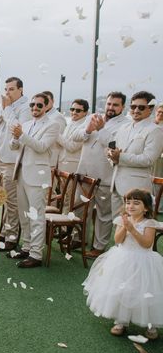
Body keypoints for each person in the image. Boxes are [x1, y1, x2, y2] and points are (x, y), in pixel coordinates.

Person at [83, 188, 163, 339]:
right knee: (121, 289)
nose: (130, 206)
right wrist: (125, 227)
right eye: (128, 202)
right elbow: (118, 240)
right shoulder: (122, 220)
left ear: (145, 208)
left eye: (136, 203)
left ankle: (150, 323)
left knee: (144, 291)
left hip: (144, 261)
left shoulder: (150, 223)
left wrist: (132, 229)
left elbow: (146, 244)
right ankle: (121, 321)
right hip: (122, 259)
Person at [73, 92, 128, 258]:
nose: (111, 107)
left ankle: (99, 246)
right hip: (84, 173)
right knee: (80, 209)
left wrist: (101, 129)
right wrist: (88, 130)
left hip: (105, 176)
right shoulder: (93, 117)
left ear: (122, 107)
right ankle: (78, 238)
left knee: (104, 214)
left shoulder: (124, 125)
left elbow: (114, 146)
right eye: (109, 104)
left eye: (115, 105)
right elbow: (75, 136)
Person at [8, 93, 60, 268]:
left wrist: (21, 135)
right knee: (24, 213)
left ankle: (36, 254)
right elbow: (14, 146)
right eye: (32, 105)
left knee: (36, 215)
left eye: (38, 105)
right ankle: (27, 246)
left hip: (37, 176)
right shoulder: (27, 124)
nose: (34, 108)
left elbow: (41, 147)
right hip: (21, 172)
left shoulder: (52, 125)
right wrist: (15, 138)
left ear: (46, 107)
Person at [0, 77, 31, 250]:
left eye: (11, 89)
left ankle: (12, 237)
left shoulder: (26, 107)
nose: (8, 93)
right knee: (3, 199)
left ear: (21, 90)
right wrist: (2, 110)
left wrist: (8, 110)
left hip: (12, 160)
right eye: (6, 89)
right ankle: (4, 232)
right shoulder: (4, 106)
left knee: (12, 201)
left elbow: (17, 129)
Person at [108, 91, 163, 218]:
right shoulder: (124, 128)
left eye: (141, 107)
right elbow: (115, 152)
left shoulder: (155, 131)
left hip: (137, 189)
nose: (136, 110)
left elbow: (148, 159)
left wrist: (120, 157)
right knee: (118, 227)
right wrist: (111, 156)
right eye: (133, 107)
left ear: (150, 109)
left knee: (135, 229)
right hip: (116, 185)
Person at [41, 90, 67, 169]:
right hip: (42, 157)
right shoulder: (42, 115)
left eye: (47, 101)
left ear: (53, 101)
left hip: (52, 158)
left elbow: (59, 138)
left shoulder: (58, 117)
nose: (45, 103)